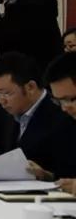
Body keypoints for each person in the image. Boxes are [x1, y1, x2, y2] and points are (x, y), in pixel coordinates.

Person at [0, 53, 76, 181]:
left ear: (30, 87)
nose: (1, 101)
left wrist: (47, 176)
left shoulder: (63, 117)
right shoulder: (10, 113)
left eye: (6, 93)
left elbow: (67, 174)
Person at [44, 53, 76, 195]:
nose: (65, 108)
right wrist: (47, 176)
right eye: (60, 101)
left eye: (70, 99)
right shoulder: (66, 125)